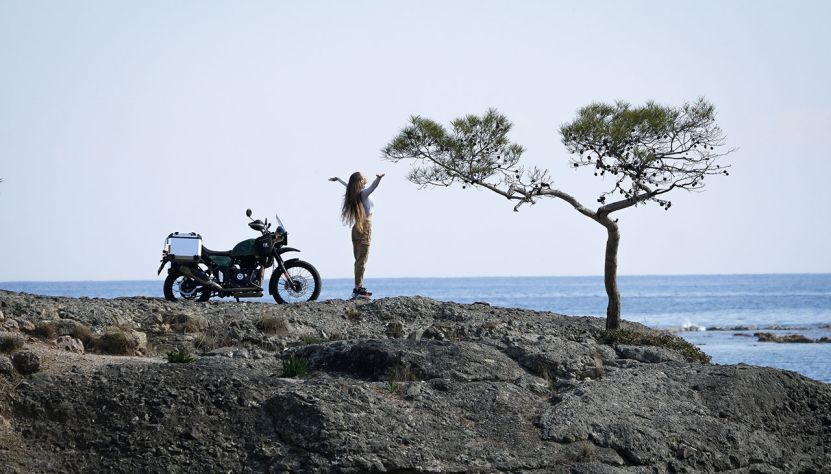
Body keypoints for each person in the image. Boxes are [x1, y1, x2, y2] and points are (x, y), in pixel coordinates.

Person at [329, 172, 384, 299]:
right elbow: (373, 187)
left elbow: (348, 186)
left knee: (359, 259)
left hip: (356, 228)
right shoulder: (363, 193)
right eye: (364, 176)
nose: (366, 177)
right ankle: (358, 288)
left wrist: (338, 179)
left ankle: (359, 287)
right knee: (362, 259)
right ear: (360, 181)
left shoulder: (355, 193)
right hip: (365, 227)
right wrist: (378, 178)